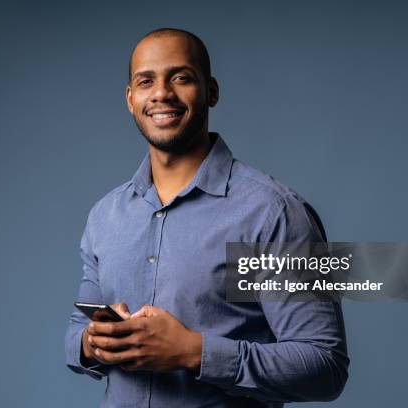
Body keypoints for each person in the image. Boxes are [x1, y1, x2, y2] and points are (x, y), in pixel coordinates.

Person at [65, 27, 349, 407]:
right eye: (146, 81)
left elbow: (324, 366)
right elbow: (76, 334)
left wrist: (194, 352)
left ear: (211, 91)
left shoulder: (271, 213)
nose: (162, 93)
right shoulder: (105, 216)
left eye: (180, 77)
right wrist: (92, 343)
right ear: (131, 99)